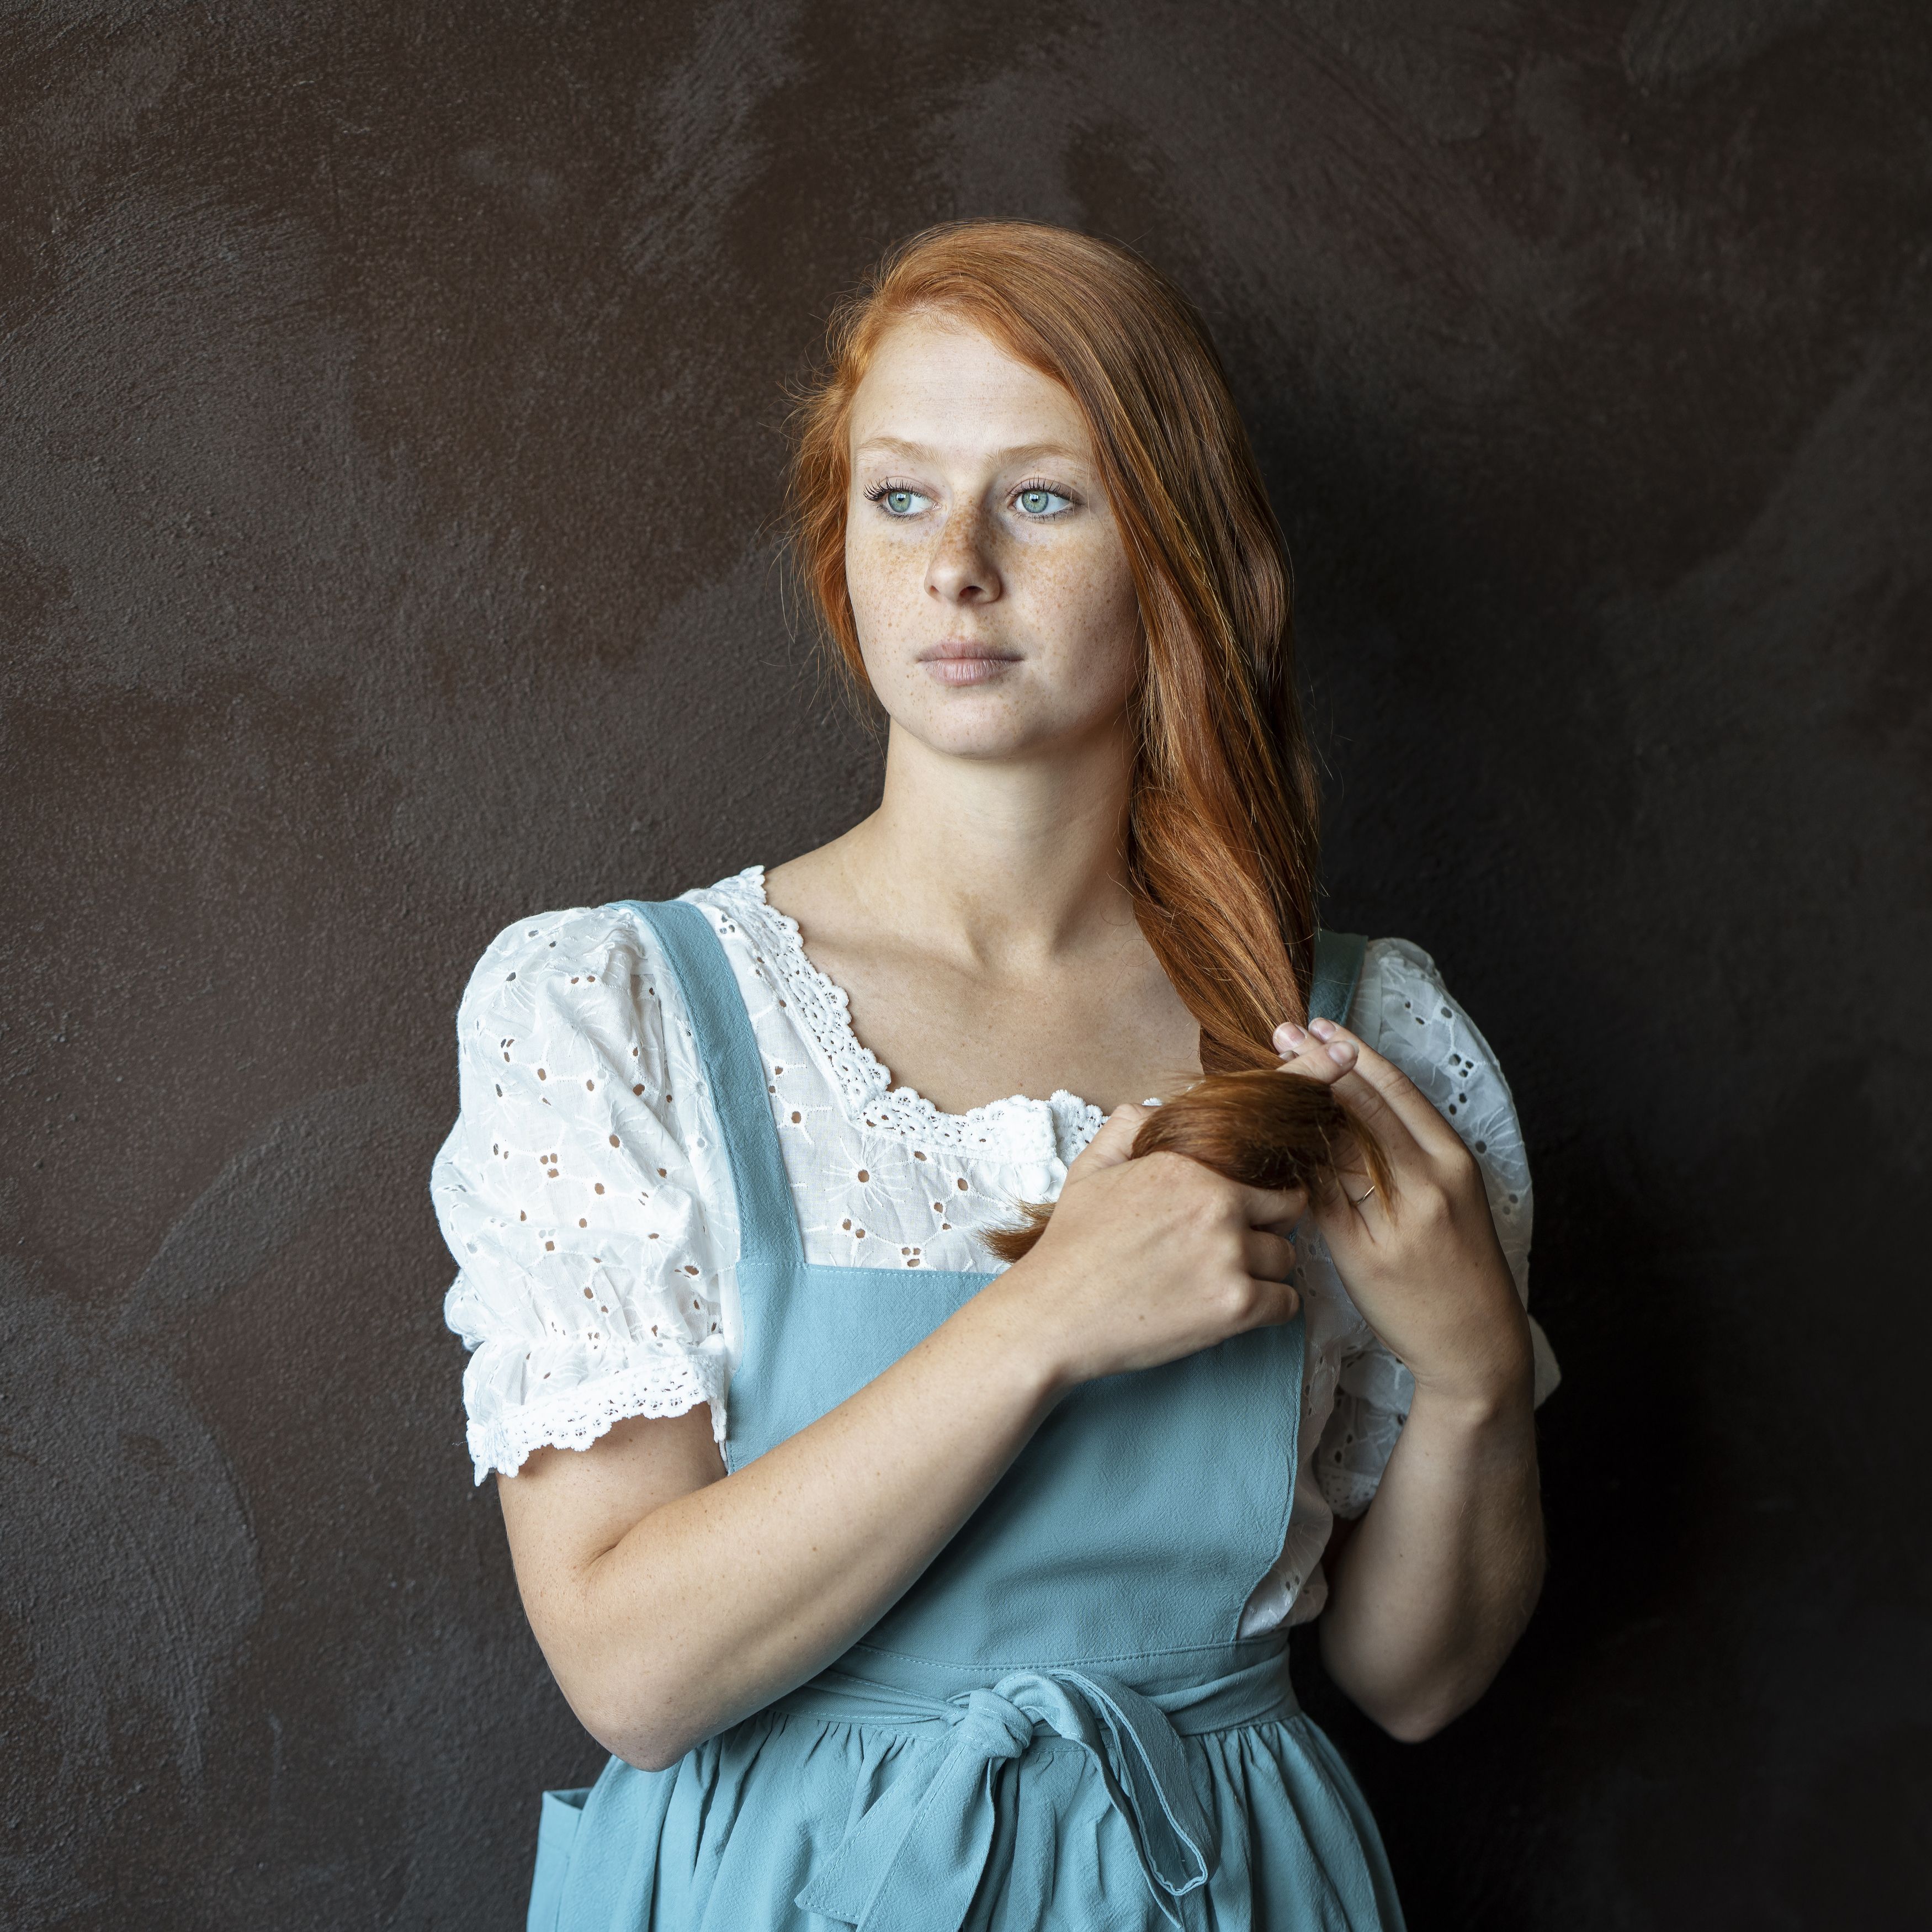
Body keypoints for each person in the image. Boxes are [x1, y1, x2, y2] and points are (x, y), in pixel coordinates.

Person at [431, 219, 1560, 1931]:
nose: (953, 565)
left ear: (1173, 552)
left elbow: (1415, 1680)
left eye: (1041, 496)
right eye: (899, 496)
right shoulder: (617, 1010)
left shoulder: (1365, 1039)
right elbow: (632, 1671)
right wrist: (1043, 1320)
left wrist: (1474, 1378)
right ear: (842, 549)